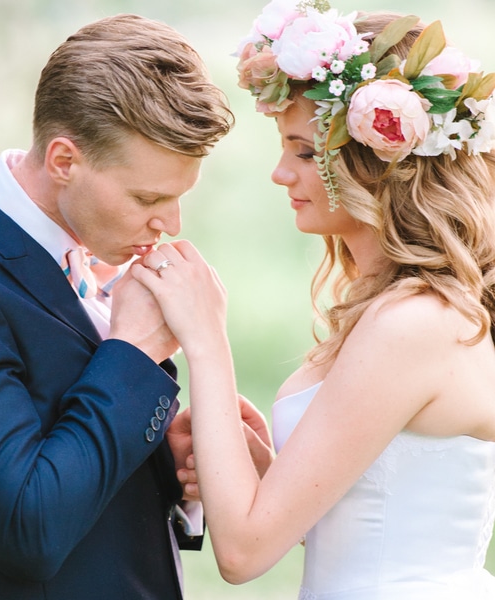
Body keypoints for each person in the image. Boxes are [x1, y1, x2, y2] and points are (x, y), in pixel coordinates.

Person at [0, 13, 273, 600]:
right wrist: (136, 351)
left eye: (179, 198)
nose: (170, 225)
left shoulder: (82, 247)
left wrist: (166, 467)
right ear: (65, 161)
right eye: (148, 197)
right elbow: (27, 527)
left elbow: (74, 465)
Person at [130, 1, 495, 598]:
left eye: (303, 150)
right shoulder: (395, 309)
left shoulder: (415, 324)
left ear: (377, 162)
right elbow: (368, 524)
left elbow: (244, 553)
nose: (279, 173)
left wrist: (206, 343)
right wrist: (258, 470)